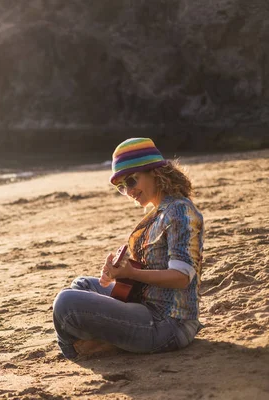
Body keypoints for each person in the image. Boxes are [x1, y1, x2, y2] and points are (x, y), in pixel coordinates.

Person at [52, 137, 204, 359]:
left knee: (66, 303)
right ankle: (106, 341)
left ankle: (79, 350)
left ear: (155, 172)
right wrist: (119, 273)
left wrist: (132, 273)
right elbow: (152, 268)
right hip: (147, 304)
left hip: (169, 323)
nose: (129, 191)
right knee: (81, 284)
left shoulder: (179, 212)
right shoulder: (158, 212)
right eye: (122, 187)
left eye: (131, 181)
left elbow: (182, 277)